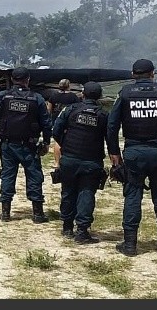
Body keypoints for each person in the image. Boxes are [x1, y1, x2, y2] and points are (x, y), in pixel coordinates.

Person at [106, 59, 157, 257]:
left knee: (132, 196)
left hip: (134, 152)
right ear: (152, 74)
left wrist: (114, 152)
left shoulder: (125, 93)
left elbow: (112, 126)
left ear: (133, 74)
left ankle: (130, 245)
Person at [0, 66, 52, 224]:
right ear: (28, 80)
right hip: (29, 146)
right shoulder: (37, 98)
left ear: (12, 79)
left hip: (7, 144)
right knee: (34, 176)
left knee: (7, 175)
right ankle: (37, 214)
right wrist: (46, 142)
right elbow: (46, 123)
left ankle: (5, 213)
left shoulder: (2, 97)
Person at [52, 81, 111, 244]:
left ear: (82, 95)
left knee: (68, 191)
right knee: (86, 193)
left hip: (70, 159)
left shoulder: (70, 110)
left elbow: (56, 131)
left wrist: (67, 144)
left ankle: (67, 227)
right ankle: (82, 231)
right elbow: (110, 138)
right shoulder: (104, 115)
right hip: (92, 161)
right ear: (99, 97)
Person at [47, 78, 81, 167]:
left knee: (57, 141)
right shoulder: (73, 97)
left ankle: (56, 162)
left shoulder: (53, 96)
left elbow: (48, 109)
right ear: (68, 86)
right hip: (69, 121)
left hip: (56, 120)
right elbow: (78, 109)